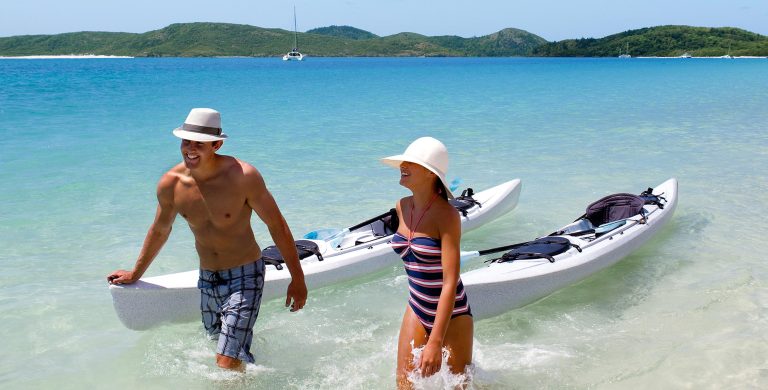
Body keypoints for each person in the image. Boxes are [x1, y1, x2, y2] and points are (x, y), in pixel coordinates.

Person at [107, 108, 307, 371]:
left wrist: (298, 278)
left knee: (225, 362)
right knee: (219, 346)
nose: (190, 149)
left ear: (216, 144)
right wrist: (135, 273)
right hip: (208, 278)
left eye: (199, 144)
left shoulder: (243, 176)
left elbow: (277, 226)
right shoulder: (171, 184)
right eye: (186, 142)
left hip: (245, 276)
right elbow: (160, 230)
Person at [381, 137, 474, 388]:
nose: (403, 165)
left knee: (459, 386)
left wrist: (435, 341)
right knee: (404, 384)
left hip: (452, 313)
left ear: (431, 174)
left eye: (412, 163)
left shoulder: (447, 216)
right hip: (417, 306)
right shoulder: (401, 207)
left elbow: (450, 281)